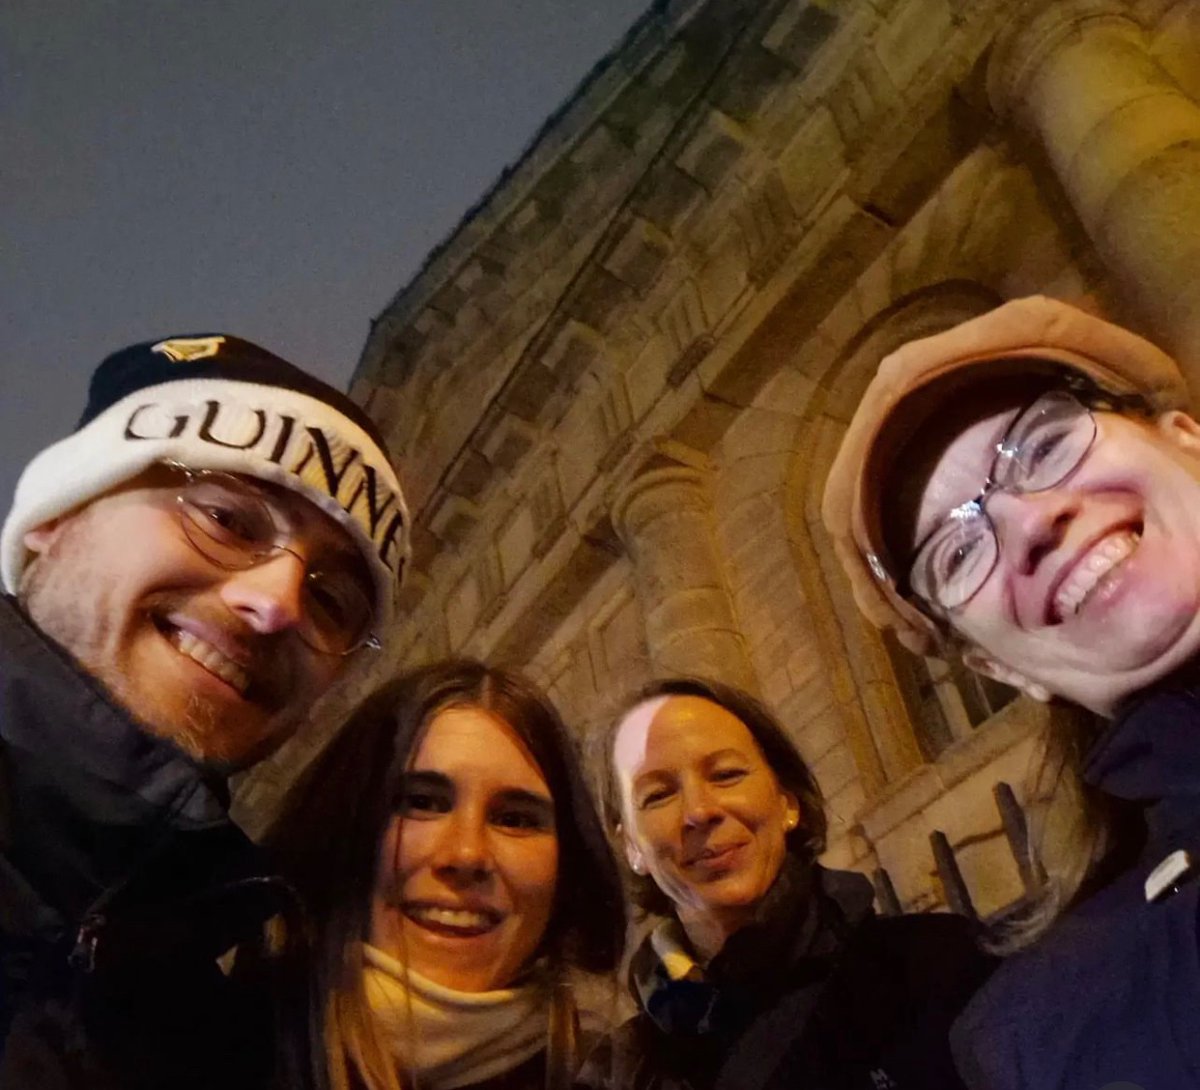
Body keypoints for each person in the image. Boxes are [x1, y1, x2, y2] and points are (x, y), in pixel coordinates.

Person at [0, 333, 409, 1088]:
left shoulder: (214, 1039)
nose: (278, 602)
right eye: (227, 519)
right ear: (52, 519)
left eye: (332, 599)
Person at [822, 295, 1200, 1089]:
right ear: (1003, 671)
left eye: (1045, 442)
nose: (1028, 523)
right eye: (957, 553)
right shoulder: (1047, 1041)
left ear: (1185, 437)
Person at [579, 676, 993, 1090]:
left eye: (726, 774)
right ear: (630, 846)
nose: (700, 811)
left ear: (786, 802)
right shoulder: (615, 1076)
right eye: (657, 795)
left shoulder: (937, 969)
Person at [264, 658, 627, 1090]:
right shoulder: (202, 1052)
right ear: (347, 826)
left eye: (514, 818)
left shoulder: (628, 1076)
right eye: (422, 802)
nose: (467, 854)